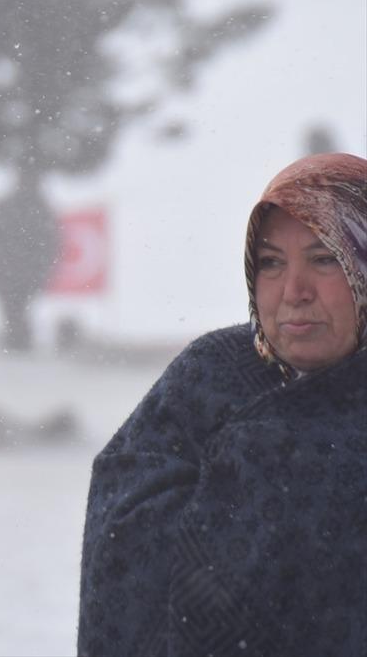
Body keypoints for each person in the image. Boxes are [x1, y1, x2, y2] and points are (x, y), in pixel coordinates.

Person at [78, 152, 367, 656]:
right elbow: (122, 535)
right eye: (271, 262)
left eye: (325, 259)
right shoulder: (211, 375)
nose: (294, 291)